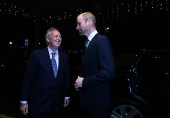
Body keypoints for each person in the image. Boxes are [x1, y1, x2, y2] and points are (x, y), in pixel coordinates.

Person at [20, 27, 70, 118]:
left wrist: (67, 95)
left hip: (56, 104)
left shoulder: (64, 56)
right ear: (48, 39)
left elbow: (66, 77)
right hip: (37, 103)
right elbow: (28, 79)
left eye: (60, 36)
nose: (59, 38)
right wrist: (23, 101)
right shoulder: (37, 55)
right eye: (56, 36)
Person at [75, 12, 115, 118]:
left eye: (79, 24)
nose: (77, 27)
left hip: (97, 102)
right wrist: (80, 82)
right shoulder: (86, 43)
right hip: (88, 100)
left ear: (89, 22)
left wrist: (84, 82)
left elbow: (108, 72)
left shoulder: (102, 41)